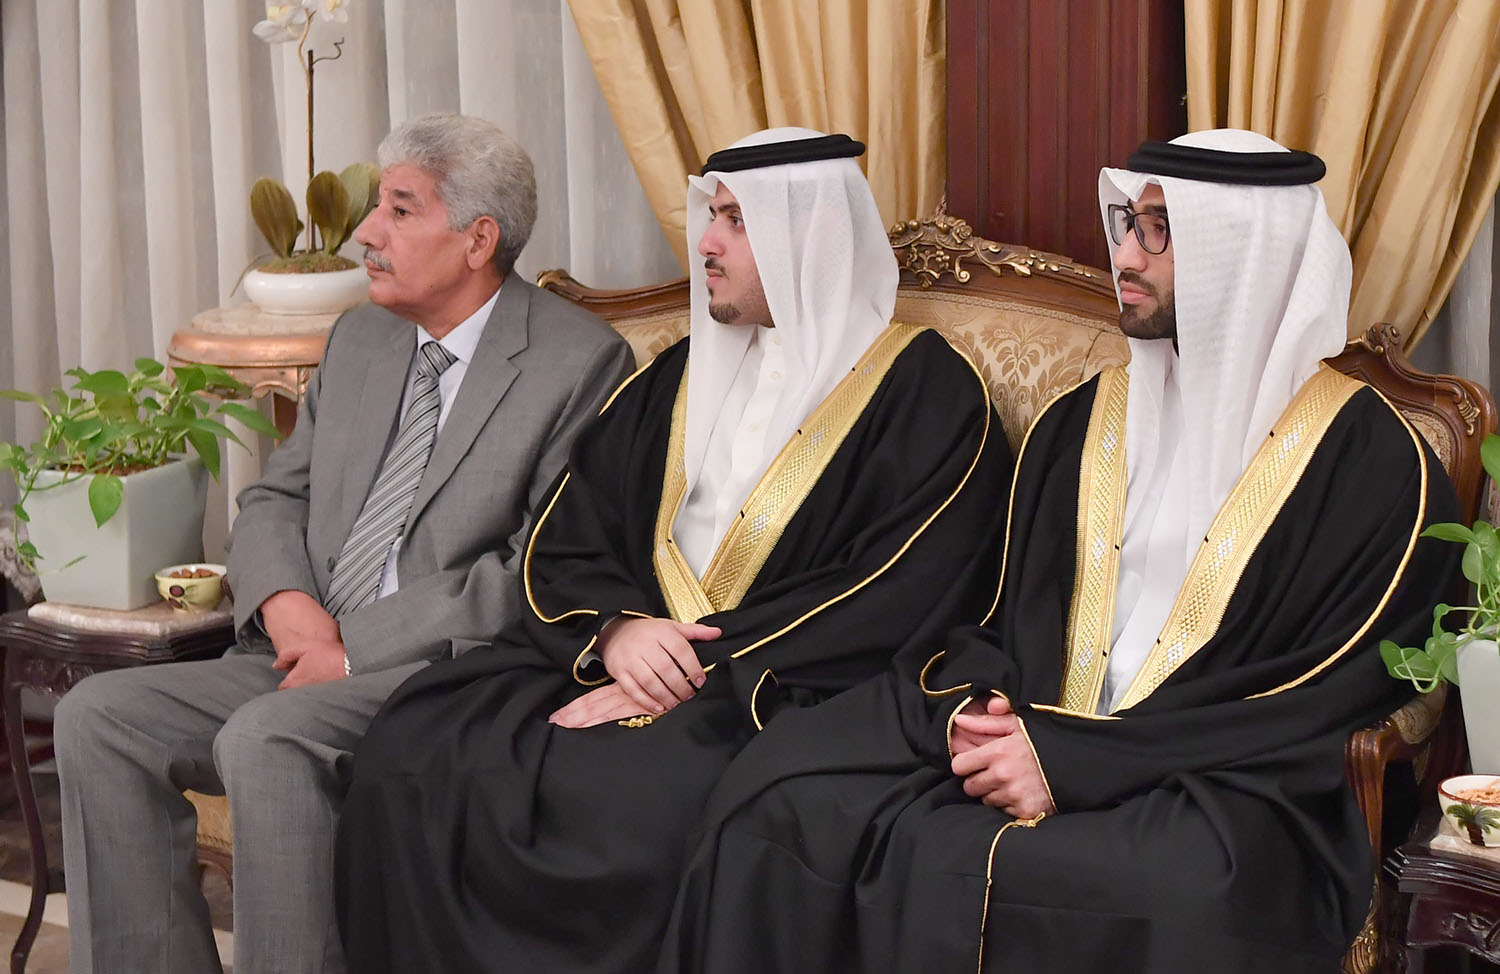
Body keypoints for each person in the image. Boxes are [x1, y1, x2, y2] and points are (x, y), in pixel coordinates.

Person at [655, 129, 1462, 974]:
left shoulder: (1375, 465)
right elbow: (1005, 615)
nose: (1126, 255)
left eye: (1160, 230)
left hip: (1226, 778)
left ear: (1246, 256)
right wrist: (987, 718)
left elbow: (1319, 695)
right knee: (783, 789)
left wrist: (1075, 764)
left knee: (1159, 892)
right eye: (1128, 225)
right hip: (1034, 729)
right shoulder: (1078, 423)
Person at [333, 127, 1016, 973]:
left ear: (811, 235)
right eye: (711, 216)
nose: (707, 244)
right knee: (416, 748)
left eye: (736, 221)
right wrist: (617, 632)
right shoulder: (678, 373)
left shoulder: (927, 391)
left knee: (621, 809)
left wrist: (691, 668)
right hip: (616, 656)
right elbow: (573, 527)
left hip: (778, 685)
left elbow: (897, 592)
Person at [52, 113, 634, 974]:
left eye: (400, 209)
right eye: (375, 207)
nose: (366, 232)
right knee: (98, 717)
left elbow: (536, 568)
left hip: (441, 669)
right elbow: (276, 496)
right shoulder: (361, 336)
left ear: (478, 239)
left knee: (266, 737)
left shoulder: (580, 362)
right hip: (300, 648)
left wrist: (352, 649)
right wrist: (289, 608)